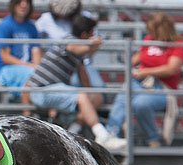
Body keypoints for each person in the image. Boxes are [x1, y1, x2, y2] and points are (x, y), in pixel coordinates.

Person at [22, 15, 126, 151]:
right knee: (82, 96)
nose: (94, 35)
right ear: (84, 35)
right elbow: (76, 48)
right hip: (41, 90)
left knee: (95, 97)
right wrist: (94, 44)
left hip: (51, 89)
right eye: (92, 33)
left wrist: (92, 95)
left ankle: (72, 132)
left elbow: (84, 77)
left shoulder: (78, 53)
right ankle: (102, 135)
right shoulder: (69, 41)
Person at [106, 12, 183, 147]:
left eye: (153, 30)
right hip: (141, 82)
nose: (151, 33)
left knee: (140, 103)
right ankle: (110, 133)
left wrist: (146, 71)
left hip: (163, 89)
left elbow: (172, 68)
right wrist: (132, 61)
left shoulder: (177, 43)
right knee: (125, 93)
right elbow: (136, 58)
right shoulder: (149, 39)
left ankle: (152, 138)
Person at [35, 0, 105, 113]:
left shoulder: (85, 17)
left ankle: (78, 124)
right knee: (74, 92)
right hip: (56, 68)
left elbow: (89, 50)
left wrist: (90, 47)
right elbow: (35, 45)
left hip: (83, 64)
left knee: (98, 91)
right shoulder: (45, 19)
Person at [0, 0, 42, 95]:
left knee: (44, 75)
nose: (23, 5)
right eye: (19, 2)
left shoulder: (31, 27)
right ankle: (27, 109)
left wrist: (37, 67)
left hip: (28, 69)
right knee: (33, 75)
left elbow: (36, 52)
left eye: (27, 2)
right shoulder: (5, 25)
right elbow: (5, 57)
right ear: (13, 4)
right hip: (5, 70)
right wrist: (30, 66)